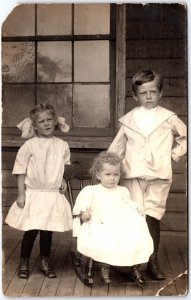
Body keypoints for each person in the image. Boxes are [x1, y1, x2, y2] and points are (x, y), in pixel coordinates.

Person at [108, 69, 187, 280]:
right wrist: (107, 168)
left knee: (152, 217)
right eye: (144, 93)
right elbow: (117, 148)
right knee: (134, 217)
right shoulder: (129, 120)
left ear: (161, 93)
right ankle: (130, 262)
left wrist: (175, 154)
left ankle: (152, 261)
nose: (149, 97)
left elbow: (185, 137)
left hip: (159, 175)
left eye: (153, 92)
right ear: (135, 96)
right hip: (132, 174)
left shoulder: (168, 118)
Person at [5, 103, 73, 279]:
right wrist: (21, 194)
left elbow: (60, 167)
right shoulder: (29, 146)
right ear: (34, 125)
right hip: (34, 194)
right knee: (31, 229)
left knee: (47, 230)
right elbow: (20, 171)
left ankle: (45, 261)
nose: (46, 123)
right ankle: (24, 261)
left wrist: (62, 180)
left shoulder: (62, 145)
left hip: (51, 194)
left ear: (55, 121)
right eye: (41, 121)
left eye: (49, 119)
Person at [73, 151, 153, 285]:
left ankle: (134, 266)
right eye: (108, 174)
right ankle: (104, 266)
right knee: (104, 236)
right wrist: (84, 212)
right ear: (98, 175)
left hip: (120, 224)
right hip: (100, 223)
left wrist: (136, 209)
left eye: (116, 174)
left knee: (136, 232)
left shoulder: (122, 191)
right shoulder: (91, 190)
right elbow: (82, 204)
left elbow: (129, 204)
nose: (112, 178)